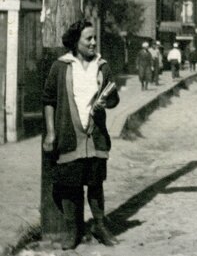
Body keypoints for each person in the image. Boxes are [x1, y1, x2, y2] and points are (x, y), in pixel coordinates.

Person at [42, 20, 120, 250]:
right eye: (88, 39)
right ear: (76, 42)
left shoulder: (102, 66)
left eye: (95, 38)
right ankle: (72, 229)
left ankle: (99, 225)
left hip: (95, 135)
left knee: (95, 184)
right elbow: (48, 100)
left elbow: (114, 98)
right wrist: (50, 132)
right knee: (70, 185)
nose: (94, 43)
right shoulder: (61, 66)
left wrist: (107, 100)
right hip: (69, 135)